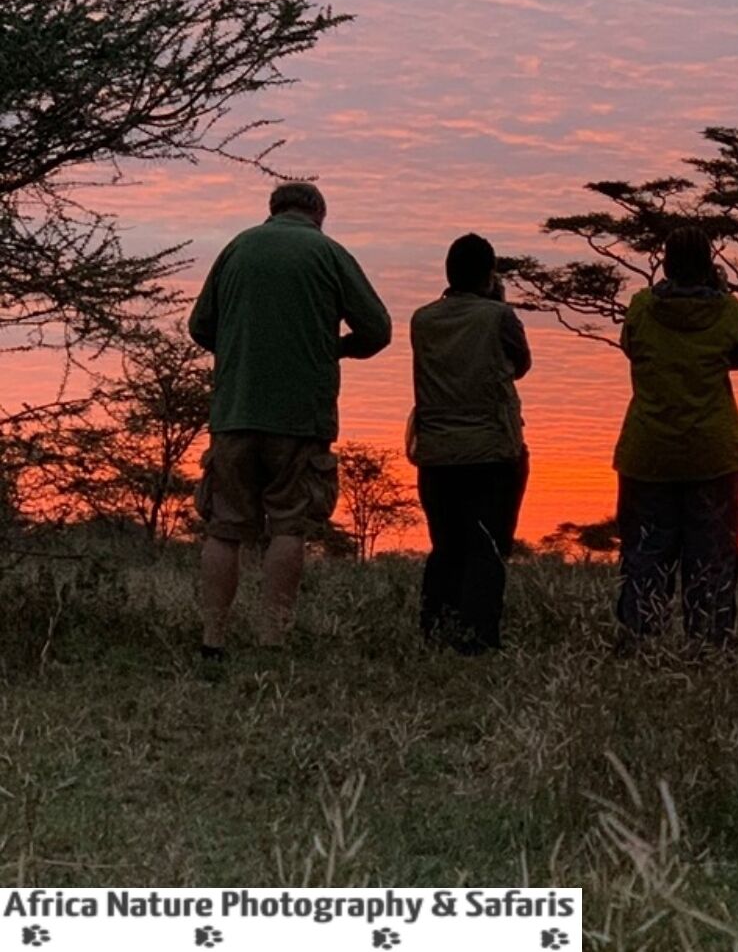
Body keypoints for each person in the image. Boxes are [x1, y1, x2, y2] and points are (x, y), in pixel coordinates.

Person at [188, 181, 391, 659]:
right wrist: (333, 349)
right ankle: (272, 641)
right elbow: (377, 329)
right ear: (318, 212)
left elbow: (200, 326)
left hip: (234, 412)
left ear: (272, 210)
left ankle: (212, 640)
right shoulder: (327, 252)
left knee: (224, 528)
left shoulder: (237, 248)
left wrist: (241, 350)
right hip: (301, 418)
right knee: (288, 527)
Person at [613, 226, 738, 649]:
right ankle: (708, 643)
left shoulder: (641, 307)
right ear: (710, 264)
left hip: (648, 450)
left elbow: (630, 347)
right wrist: (719, 293)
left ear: (666, 263)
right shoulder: (729, 310)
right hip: (714, 451)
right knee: (712, 556)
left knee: (645, 553)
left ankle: (641, 640)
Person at [408, 234, 532, 653]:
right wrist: (497, 301)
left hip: (436, 451)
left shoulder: (422, 319)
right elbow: (521, 365)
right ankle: (478, 638)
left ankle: (436, 628)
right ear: (488, 274)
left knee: (446, 544)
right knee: (488, 545)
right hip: (492, 451)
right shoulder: (499, 316)